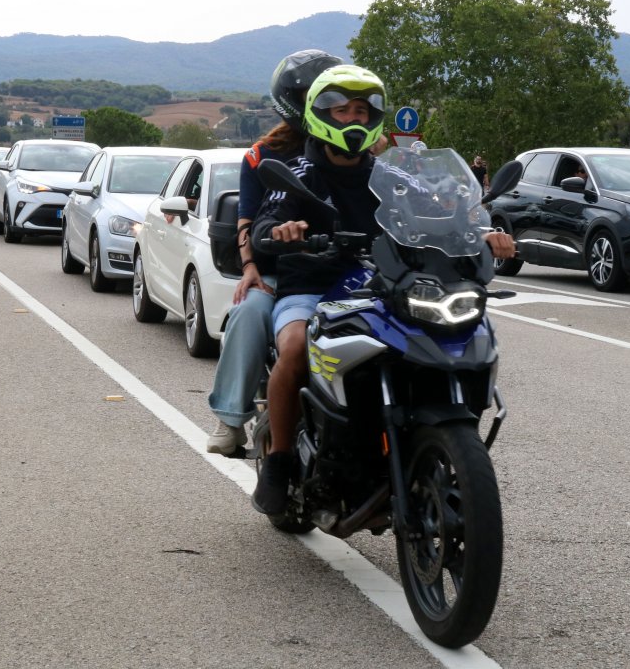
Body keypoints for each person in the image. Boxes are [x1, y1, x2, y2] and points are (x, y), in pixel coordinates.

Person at [250, 65, 516, 515]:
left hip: (383, 284)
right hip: (312, 287)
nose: (352, 118)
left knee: (435, 337)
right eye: (341, 110)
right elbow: (267, 218)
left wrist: (482, 231)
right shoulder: (299, 171)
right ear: (319, 114)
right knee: (295, 346)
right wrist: (282, 229)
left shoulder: (395, 176)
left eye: (361, 110)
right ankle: (278, 459)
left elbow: (444, 213)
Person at [206, 49, 343, 454]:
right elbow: (247, 219)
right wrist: (250, 267)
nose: (336, 111)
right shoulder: (262, 155)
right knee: (249, 312)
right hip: (281, 269)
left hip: (349, 267)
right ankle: (230, 419)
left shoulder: (363, 149)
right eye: (320, 100)